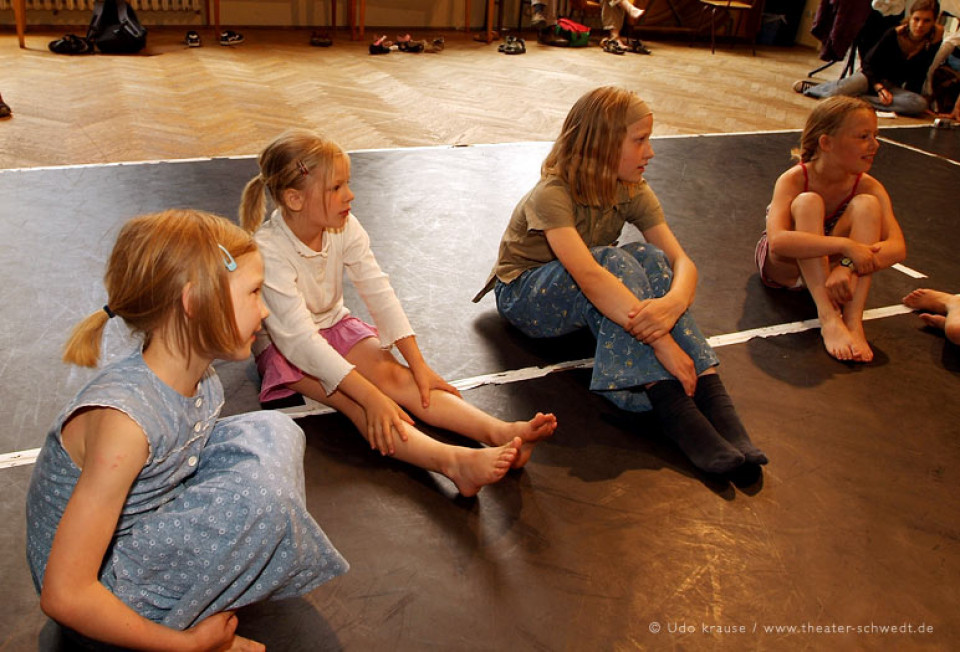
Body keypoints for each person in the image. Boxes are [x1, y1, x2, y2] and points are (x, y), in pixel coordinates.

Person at [25, 210, 347, 650]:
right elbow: (64, 594)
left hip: (135, 531)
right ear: (194, 302)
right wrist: (191, 646)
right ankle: (168, 629)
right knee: (261, 500)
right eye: (253, 293)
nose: (265, 308)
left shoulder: (201, 378)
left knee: (274, 431)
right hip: (101, 592)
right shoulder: (125, 424)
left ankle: (183, 603)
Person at [239, 130, 557, 498]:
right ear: (294, 198)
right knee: (359, 403)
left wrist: (418, 366)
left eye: (349, 183)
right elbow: (300, 342)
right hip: (286, 349)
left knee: (399, 379)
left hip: (333, 326)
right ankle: (452, 464)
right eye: (337, 187)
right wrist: (371, 396)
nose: (350, 195)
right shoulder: (269, 250)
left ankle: (497, 432)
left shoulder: (343, 226)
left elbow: (378, 290)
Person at [474, 86, 766, 476]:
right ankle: (671, 408)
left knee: (650, 258)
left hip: (589, 293)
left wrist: (671, 306)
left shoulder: (632, 189)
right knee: (611, 260)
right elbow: (590, 276)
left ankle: (716, 402)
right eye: (640, 140)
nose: (651, 151)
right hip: (524, 296)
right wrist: (662, 342)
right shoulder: (551, 194)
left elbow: (682, 262)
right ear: (604, 145)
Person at [755, 96, 906, 362]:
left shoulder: (868, 185)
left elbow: (897, 247)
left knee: (868, 206)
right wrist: (845, 247)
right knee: (808, 203)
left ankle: (852, 320)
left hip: (832, 271)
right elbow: (778, 242)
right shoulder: (794, 179)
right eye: (863, 136)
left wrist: (846, 265)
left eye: (875, 135)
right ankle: (828, 317)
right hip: (786, 270)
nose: (875, 144)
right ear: (826, 143)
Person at [794, 0, 944, 116]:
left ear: (934, 22)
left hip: (892, 87)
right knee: (833, 95)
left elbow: (919, 75)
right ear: (910, 18)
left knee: (918, 104)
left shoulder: (932, 41)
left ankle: (857, 100)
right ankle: (815, 89)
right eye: (916, 19)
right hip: (871, 79)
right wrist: (879, 88)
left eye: (926, 21)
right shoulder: (894, 34)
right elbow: (868, 64)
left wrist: (915, 99)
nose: (920, 25)